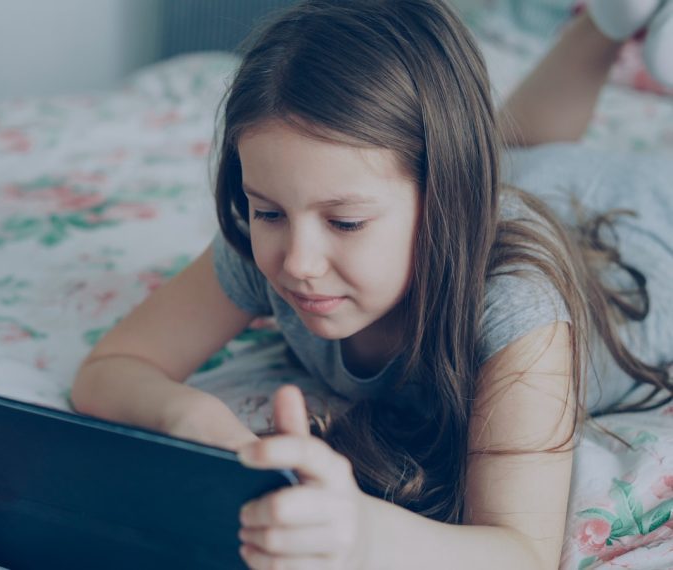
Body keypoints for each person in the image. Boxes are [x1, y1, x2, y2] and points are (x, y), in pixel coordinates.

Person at [70, 1, 673, 568]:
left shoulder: (521, 308)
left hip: (647, 230)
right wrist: (191, 417)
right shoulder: (270, 244)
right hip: (540, 189)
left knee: (534, 166)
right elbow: (111, 368)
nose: (299, 262)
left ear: (445, 204)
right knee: (520, 158)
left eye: (345, 222)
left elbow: (521, 553)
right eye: (268, 212)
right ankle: (605, 22)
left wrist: (360, 530)